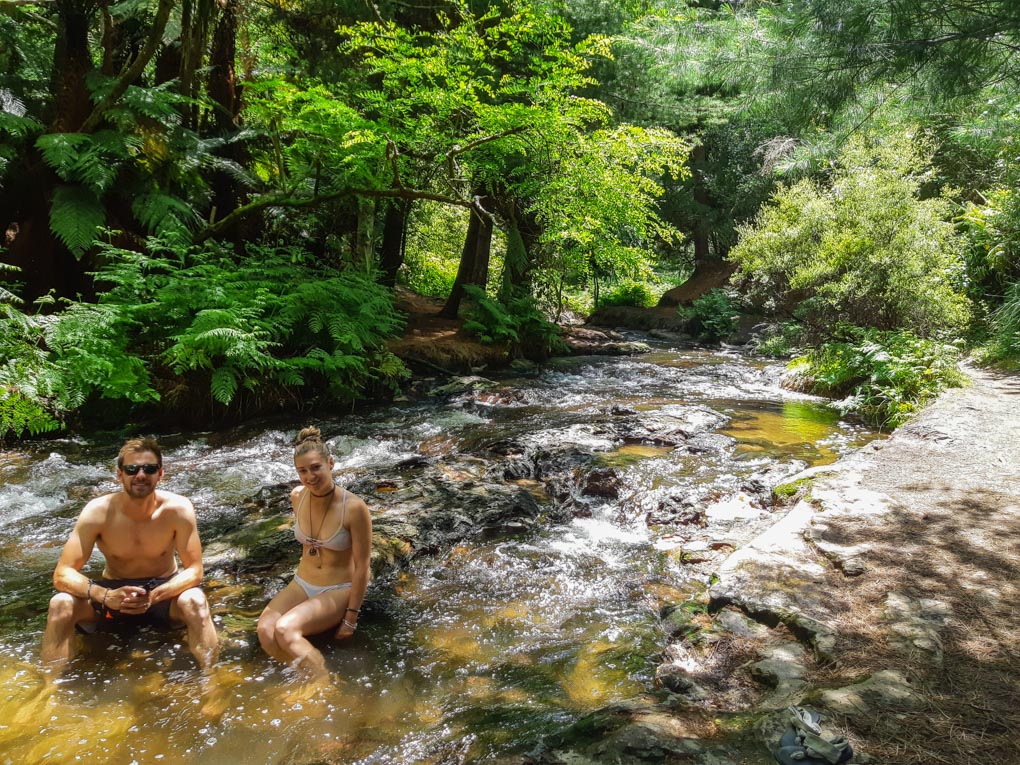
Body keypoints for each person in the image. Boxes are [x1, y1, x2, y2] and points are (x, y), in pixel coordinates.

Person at [40, 437, 219, 670]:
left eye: (149, 469)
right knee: (60, 603)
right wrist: (104, 595)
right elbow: (62, 574)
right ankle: (50, 686)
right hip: (112, 596)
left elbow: (195, 571)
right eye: (132, 469)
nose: (141, 475)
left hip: (162, 593)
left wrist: (155, 595)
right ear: (120, 475)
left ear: (160, 474)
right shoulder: (98, 512)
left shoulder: (178, 509)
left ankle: (211, 681)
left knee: (196, 600)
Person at [257, 426, 372, 680]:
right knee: (265, 630)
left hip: (338, 588)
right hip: (302, 582)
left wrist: (351, 617)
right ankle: (302, 675)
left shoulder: (354, 507)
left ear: (330, 463)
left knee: (285, 629)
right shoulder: (298, 497)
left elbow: (364, 566)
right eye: (302, 471)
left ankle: (323, 683)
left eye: (316, 467)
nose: (310, 477)